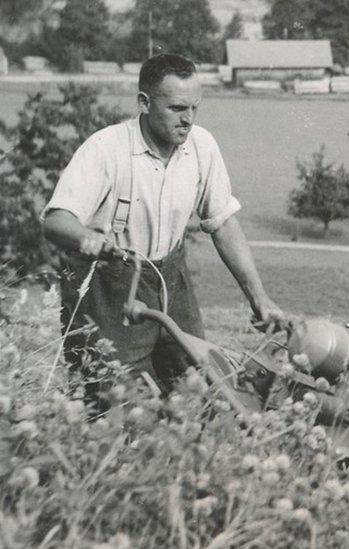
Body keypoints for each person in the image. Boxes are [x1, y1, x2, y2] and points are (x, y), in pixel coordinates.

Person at [42, 53, 285, 410]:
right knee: (115, 400)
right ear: (143, 102)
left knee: (195, 389)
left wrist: (258, 297)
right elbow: (55, 219)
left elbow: (223, 222)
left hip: (171, 279)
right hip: (110, 287)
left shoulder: (202, 146)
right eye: (176, 108)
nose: (187, 120)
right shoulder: (106, 149)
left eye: (194, 108)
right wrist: (85, 237)